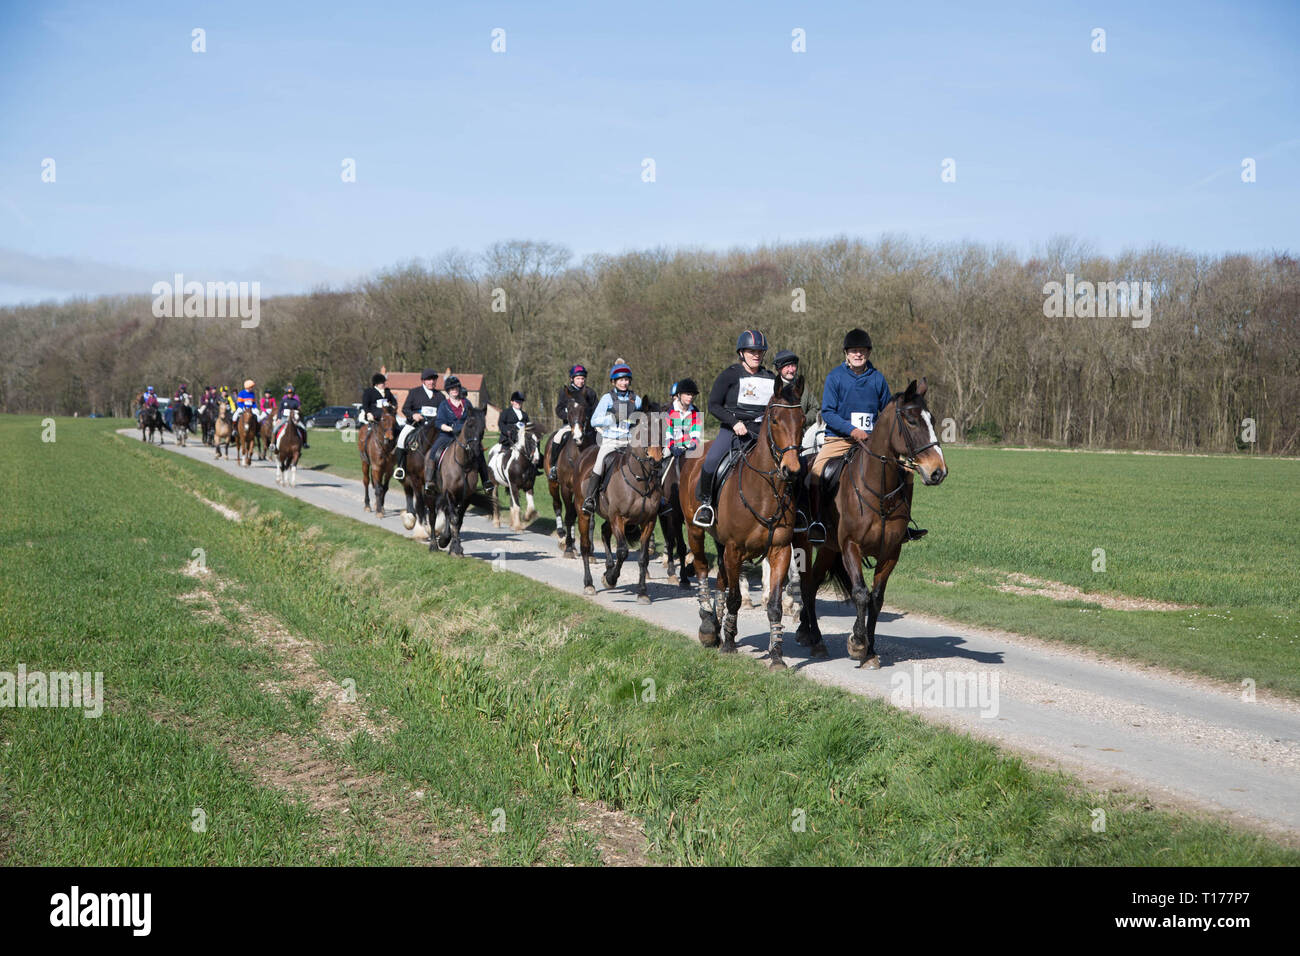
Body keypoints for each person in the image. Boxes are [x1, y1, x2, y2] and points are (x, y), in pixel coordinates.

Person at [807, 328, 926, 545]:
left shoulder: (877, 379)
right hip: (839, 440)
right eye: (854, 351)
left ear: (868, 353)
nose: (858, 354)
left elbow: (888, 411)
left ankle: (904, 523)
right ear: (846, 353)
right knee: (816, 470)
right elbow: (828, 413)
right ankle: (818, 523)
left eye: (862, 351)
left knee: (907, 470)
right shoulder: (835, 377)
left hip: (871, 443)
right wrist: (852, 430)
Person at [692, 330, 777, 528]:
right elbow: (714, 405)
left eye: (759, 352)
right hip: (733, 430)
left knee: (790, 464)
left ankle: (795, 510)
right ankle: (706, 504)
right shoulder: (729, 375)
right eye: (751, 351)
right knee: (711, 460)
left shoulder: (771, 378)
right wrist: (733, 422)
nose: (756, 355)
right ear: (741, 353)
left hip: (762, 434)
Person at [581, 360, 643, 515]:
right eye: (621, 380)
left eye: (626, 379)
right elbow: (594, 420)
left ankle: (655, 500)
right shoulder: (606, 399)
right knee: (599, 463)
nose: (624, 382)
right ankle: (589, 499)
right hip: (611, 441)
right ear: (614, 382)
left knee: (647, 464)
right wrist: (611, 418)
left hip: (630, 441)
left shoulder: (637, 400)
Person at [424, 375, 489, 493]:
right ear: (448, 391)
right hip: (447, 435)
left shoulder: (467, 403)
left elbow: (472, 420)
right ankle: (430, 482)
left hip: (465, 436)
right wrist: (449, 429)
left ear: (459, 389)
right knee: (433, 451)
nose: (454, 390)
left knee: (479, 451)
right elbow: (439, 423)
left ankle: (486, 481)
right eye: (452, 388)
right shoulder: (444, 405)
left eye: (456, 388)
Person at [548, 364, 598, 480]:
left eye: (582, 378)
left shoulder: (590, 393)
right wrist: (570, 418)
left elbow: (596, 409)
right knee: (557, 438)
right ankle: (554, 466)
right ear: (572, 379)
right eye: (578, 378)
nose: (581, 381)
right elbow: (559, 409)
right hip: (570, 425)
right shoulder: (566, 392)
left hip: (588, 425)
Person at [395, 368, 444, 480]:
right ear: (423, 381)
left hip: (434, 428)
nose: (432, 382)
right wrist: (413, 415)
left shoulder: (440, 396)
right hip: (415, 425)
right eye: (429, 380)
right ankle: (400, 467)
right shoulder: (414, 392)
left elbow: (443, 413)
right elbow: (405, 409)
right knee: (401, 439)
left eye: (434, 380)